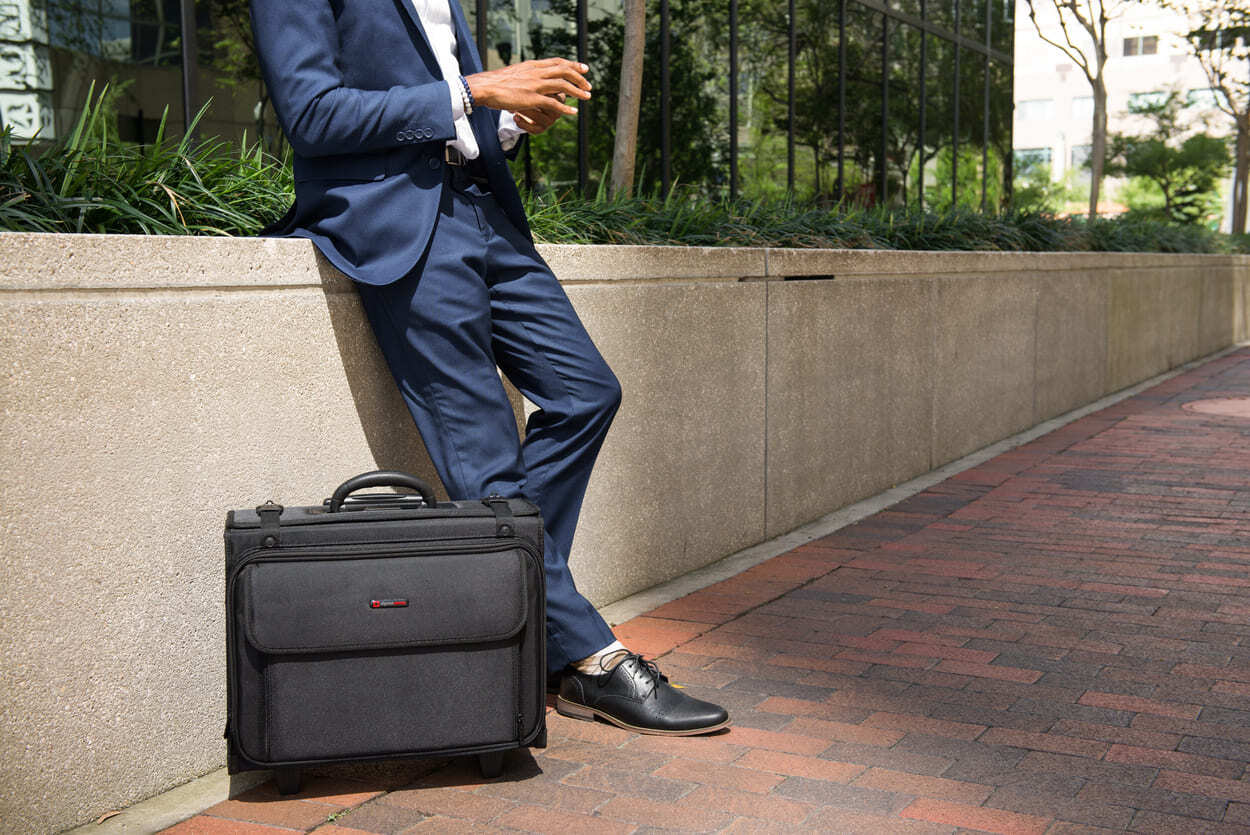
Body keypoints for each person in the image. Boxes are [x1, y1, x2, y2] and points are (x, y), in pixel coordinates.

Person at [250, 0, 729, 736]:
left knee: (586, 393)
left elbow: (438, 97)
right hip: (398, 220)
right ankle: (592, 662)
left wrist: (503, 120)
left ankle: (523, 615)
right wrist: (476, 91)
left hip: (480, 205)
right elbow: (313, 114)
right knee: (487, 467)